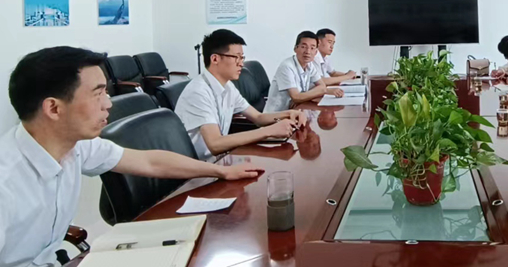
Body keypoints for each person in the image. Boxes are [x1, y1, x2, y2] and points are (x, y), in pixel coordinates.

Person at [0, 47, 263, 267]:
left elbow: (149, 161)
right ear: (54, 108)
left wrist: (220, 171)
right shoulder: (6, 181)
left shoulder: (77, 146)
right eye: (97, 94)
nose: (108, 103)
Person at [175, 29, 307, 161]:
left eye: (242, 57)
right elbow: (215, 144)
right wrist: (269, 131)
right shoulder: (198, 92)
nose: (241, 63)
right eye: (236, 57)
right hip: (198, 167)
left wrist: (289, 113)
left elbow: (258, 117)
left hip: (221, 159)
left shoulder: (228, 86)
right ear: (215, 59)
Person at [265, 31, 344, 113]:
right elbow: (296, 97)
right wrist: (322, 91)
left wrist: (303, 96)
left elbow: (322, 86)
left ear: (316, 52)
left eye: (312, 48)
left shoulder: (309, 65)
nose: (308, 51)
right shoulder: (287, 66)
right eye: (303, 47)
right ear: (295, 48)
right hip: (277, 115)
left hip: (295, 111)